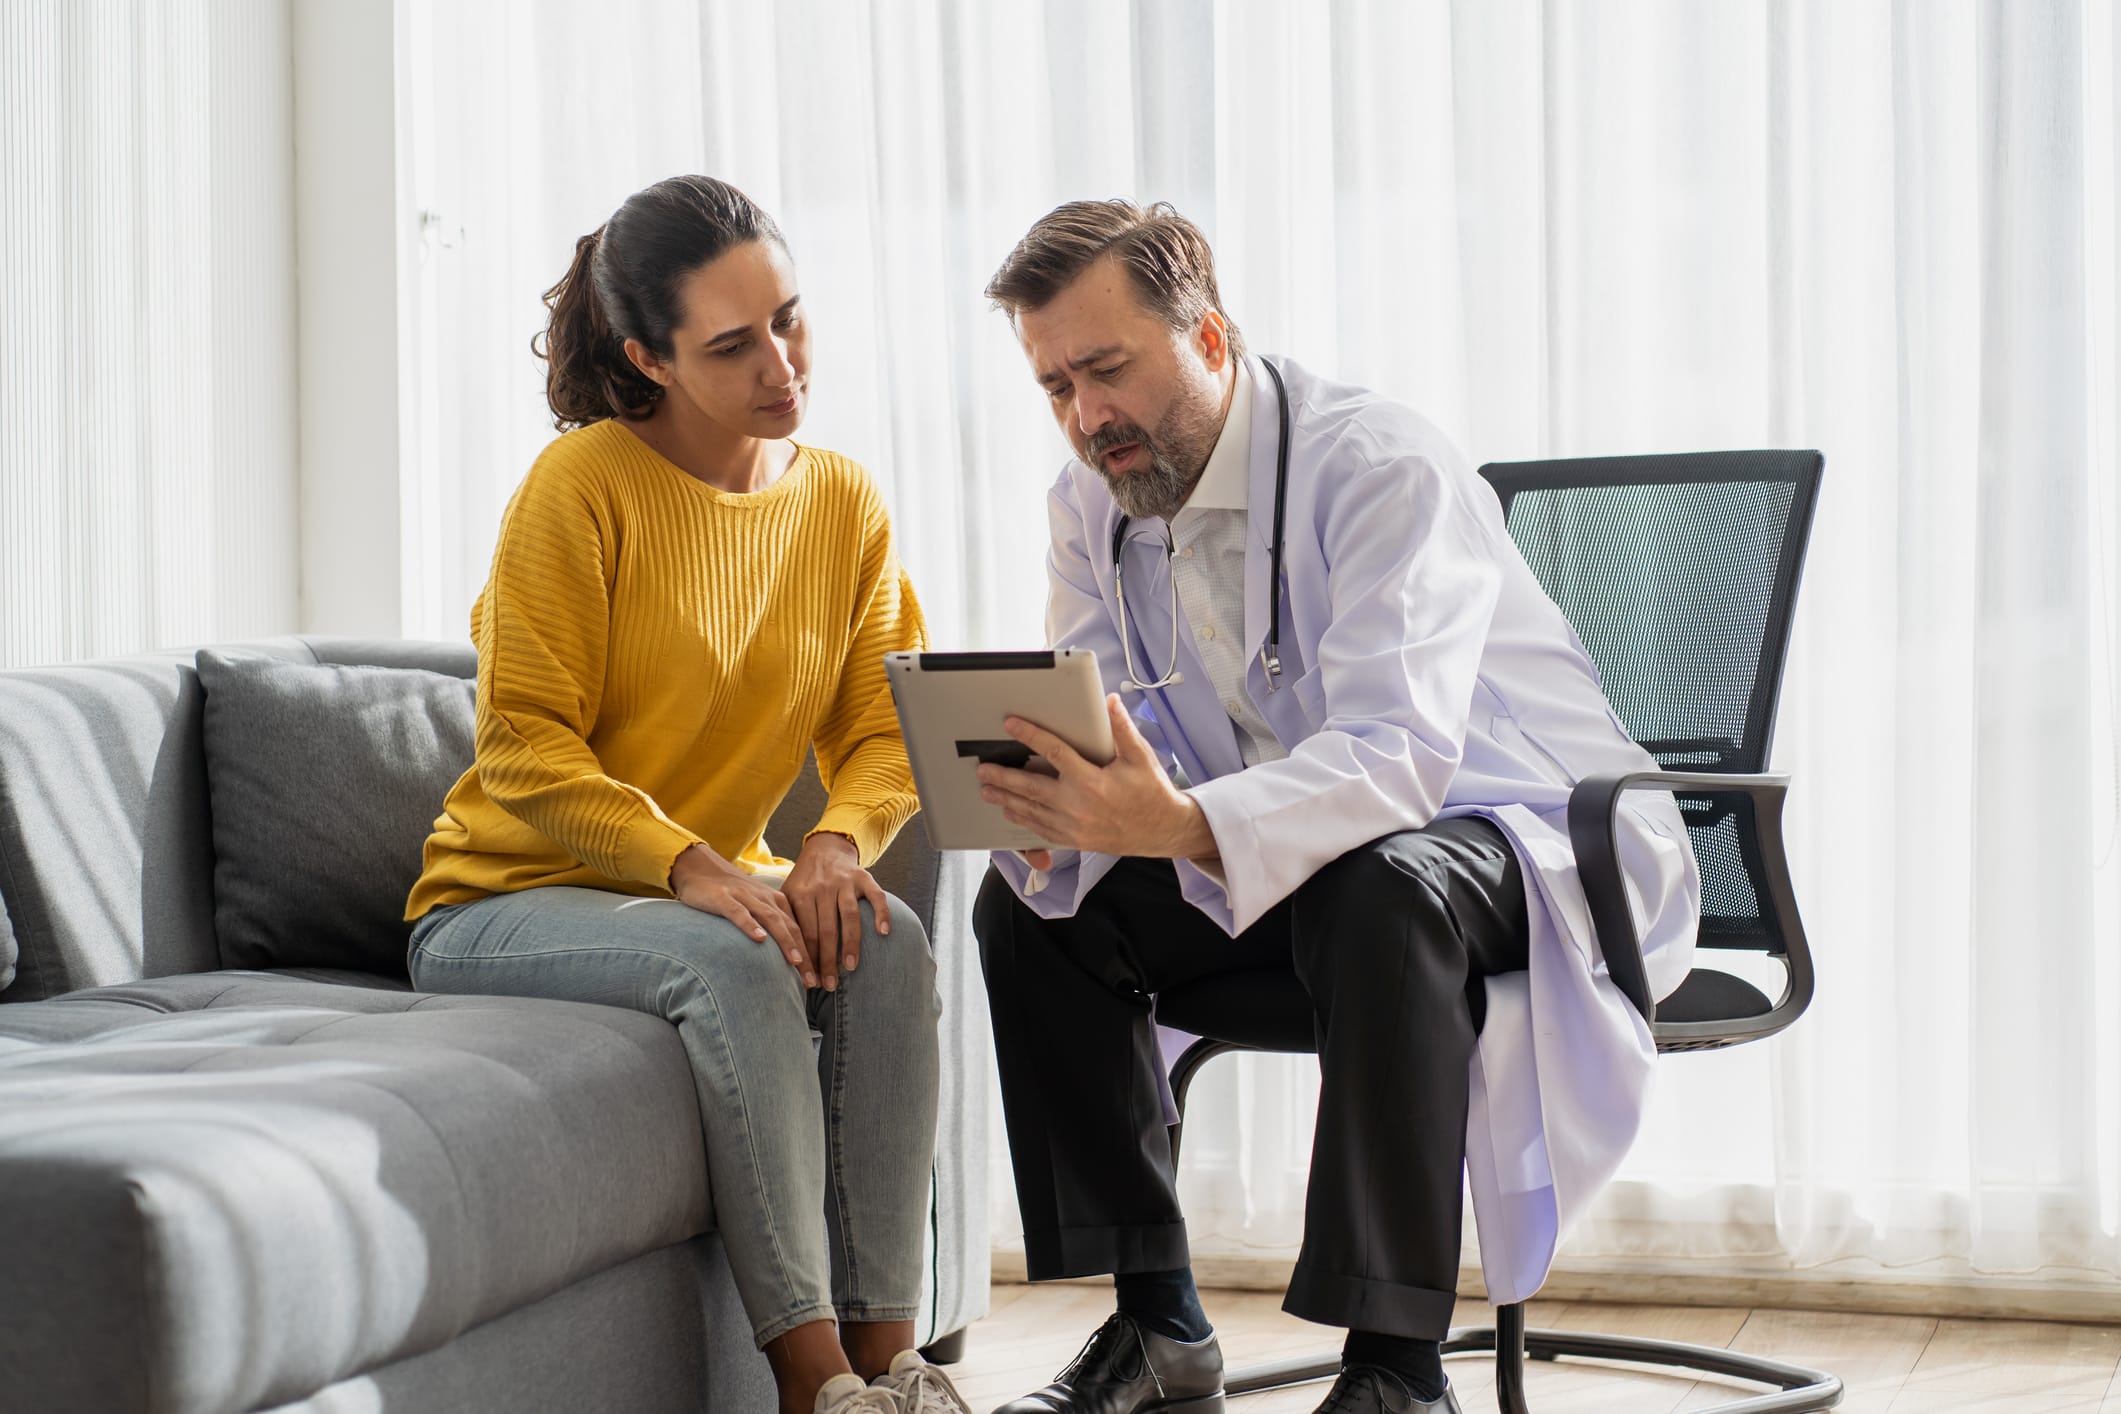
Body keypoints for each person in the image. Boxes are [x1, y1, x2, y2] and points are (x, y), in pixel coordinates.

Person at [971, 200, 1701, 1414]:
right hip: (1312, 873)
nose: (1087, 417)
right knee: (1034, 910)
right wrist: (1065, 809)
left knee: (1382, 885)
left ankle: (1397, 1373)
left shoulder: (1378, 466)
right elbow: (1124, 733)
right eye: (1054, 386)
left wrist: (1178, 824)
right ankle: (1159, 1326)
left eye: (1108, 369)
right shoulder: (1091, 502)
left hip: (1534, 839)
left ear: (1210, 338)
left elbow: (1397, 759)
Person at [402, 175, 969, 1414]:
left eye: (791, 318)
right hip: (507, 898)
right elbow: (525, 747)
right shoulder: (581, 488)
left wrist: (830, 844)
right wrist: (697, 867)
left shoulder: (841, 501)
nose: (783, 364)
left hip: (695, 891)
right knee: (737, 961)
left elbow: (883, 727)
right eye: (734, 343)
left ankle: (894, 1375)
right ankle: (813, 1387)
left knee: (885, 933)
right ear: (647, 356)